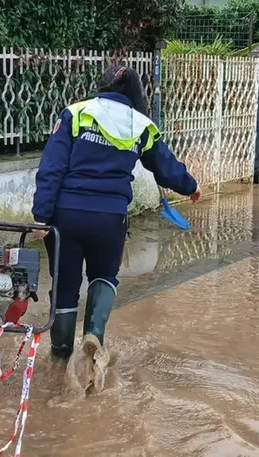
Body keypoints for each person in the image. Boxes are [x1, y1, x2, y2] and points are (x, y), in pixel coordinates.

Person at [31, 64, 199, 378]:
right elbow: (165, 166)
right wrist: (190, 186)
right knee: (104, 277)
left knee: (65, 285)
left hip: (65, 216)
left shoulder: (76, 114)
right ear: (134, 91)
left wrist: (41, 215)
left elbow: (51, 167)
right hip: (110, 217)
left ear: (103, 84)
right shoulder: (142, 125)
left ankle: (59, 357)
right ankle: (94, 337)